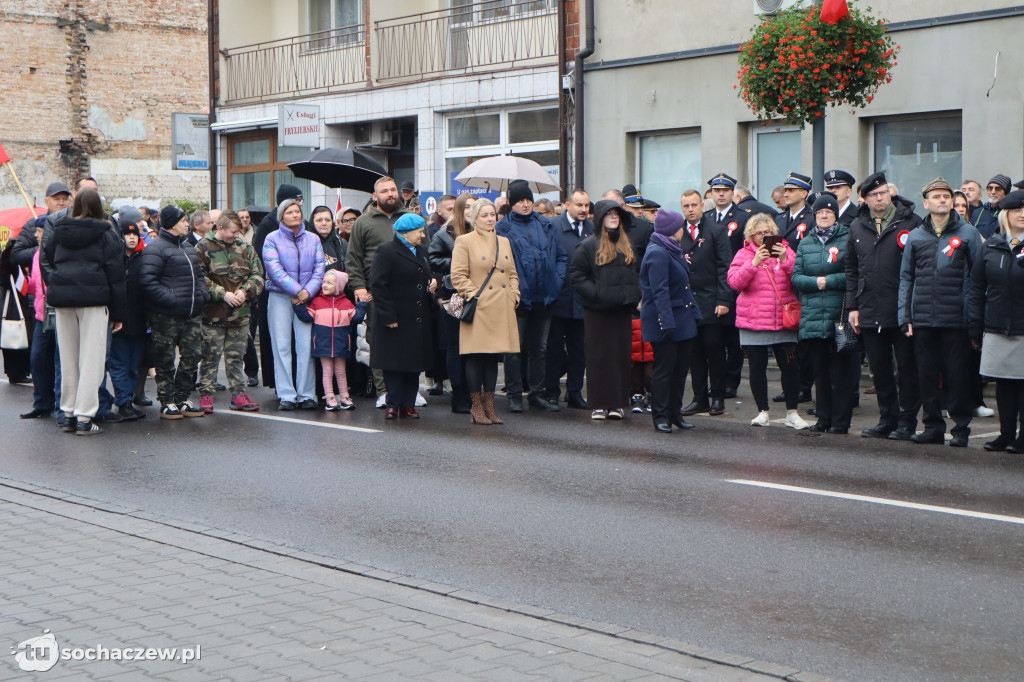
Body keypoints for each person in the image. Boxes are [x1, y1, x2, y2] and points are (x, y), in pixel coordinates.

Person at [898, 177, 983, 447]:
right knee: (927, 375)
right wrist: (905, 316)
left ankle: (960, 429)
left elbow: (977, 278)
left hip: (956, 318)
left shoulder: (968, 233)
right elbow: (906, 278)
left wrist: (973, 317)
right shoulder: (916, 236)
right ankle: (933, 427)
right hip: (923, 319)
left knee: (958, 376)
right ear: (926, 203)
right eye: (936, 196)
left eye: (946, 196)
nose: (943, 200)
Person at [846, 171, 924, 440]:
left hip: (902, 308)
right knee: (879, 370)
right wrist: (852, 306)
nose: (880, 198)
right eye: (873, 195)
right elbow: (852, 268)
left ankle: (907, 420)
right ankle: (887, 419)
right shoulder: (857, 226)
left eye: (883, 193)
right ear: (864, 199)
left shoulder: (912, 221)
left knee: (907, 369)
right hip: (869, 307)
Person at [42, 188, 127, 435]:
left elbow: (47, 257)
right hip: (94, 300)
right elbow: (116, 275)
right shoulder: (106, 233)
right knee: (92, 360)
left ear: (75, 204)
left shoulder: (59, 230)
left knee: (68, 358)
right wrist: (119, 313)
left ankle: (67, 413)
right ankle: (85, 417)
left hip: (62, 299)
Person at [727, 213, 807, 429]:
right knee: (757, 368)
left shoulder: (786, 251)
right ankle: (762, 411)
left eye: (767, 233)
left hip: (783, 320)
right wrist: (753, 263)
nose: (763, 237)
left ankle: (792, 412)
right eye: (759, 233)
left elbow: (799, 278)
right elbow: (735, 282)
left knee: (790, 367)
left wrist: (785, 260)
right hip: (754, 319)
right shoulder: (744, 254)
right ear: (751, 236)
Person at [496, 179, 567, 413]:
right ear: (511, 203)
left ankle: (536, 394)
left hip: (545, 296)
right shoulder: (502, 229)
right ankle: (515, 395)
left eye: (528, 200)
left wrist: (555, 283)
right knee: (514, 349)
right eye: (520, 201)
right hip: (517, 297)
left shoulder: (546, 225)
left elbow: (560, 256)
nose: (525, 205)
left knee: (540, 348)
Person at [791, 193, 859, 434]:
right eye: (820, 213)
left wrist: (825, 281)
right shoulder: (806, 242)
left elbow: (852, 274)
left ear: (835, 215)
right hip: (812, 317)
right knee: (819, 371)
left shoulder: (847, 237)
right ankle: (823, 418)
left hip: (838, 316)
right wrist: (815, 282)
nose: (824, 216)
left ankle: (840, 421)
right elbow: (796, 277)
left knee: (840, 372)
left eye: (829, 212)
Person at [450, 198, 520, 425]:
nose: (490, 219)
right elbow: (458, 276)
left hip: (501, 306)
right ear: (474, 218)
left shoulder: (504, 241)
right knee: (475, 356)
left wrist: (514, 295)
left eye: (493, 214)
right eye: (485, 215)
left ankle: (490, 406)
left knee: (492, 357)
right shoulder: (464, 241)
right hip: (479, 307)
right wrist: (475, 297)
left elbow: (512, 273)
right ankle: (476, 406)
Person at [570, 199, 641, 420]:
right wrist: (597, 294)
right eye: (609, 214)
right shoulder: (588, 245)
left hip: (621, 311)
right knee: (598, 357)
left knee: (620, 357)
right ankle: (599, 404)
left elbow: (636, 274)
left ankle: (617, 404)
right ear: (600, 218)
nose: (613, 217)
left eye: (616, 214)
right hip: (597, 312)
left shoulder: (626, 244)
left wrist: (634, 295)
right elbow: (576, 275)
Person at [139, 205, 210, 419]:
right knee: (165, 359)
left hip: (191, 314)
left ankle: (182, 398)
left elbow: (199, 277)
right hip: (166, 316)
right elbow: (148, 281)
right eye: (183, 221)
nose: (187, 224)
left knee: (192, 356)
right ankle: (167, 401)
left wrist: (202, 295)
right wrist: (171, 299)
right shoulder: (155, 248)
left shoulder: (188, 247)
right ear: (171, 224)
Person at [345, 176, 410, 407]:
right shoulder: (363, 222)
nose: (390, 194)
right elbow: (353, 258)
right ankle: (384, 391)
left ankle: (408, 391)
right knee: (379, 342)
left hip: (408, 292)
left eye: (393, 189)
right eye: (385, 191)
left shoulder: (411, 218)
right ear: (375, 196)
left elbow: (424, 250)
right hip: (376, 292)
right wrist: (359, 287)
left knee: (408, 341)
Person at [970, 191, 1024, 452]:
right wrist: (975, 325)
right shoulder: (991, 245)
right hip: (997, 324)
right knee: (1004, 382)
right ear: (1006, 215)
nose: (1022, 215)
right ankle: (1005, 434)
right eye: (1017, 210)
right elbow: (977, 288)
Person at [369, 213, 437, 419]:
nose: (423, 235)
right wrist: (388, 316)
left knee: (413, 364)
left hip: (416, 318)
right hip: (396, 318)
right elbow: (378, 286)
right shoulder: (386, 251)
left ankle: (408, 403)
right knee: (394, 364)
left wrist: (433, 281)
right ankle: (393, 403)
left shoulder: (422, 252)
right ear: (406, 233)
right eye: (419, 231)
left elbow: (426, 275)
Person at [195, 211, 264, 414]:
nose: (236, 235)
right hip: (212, 315)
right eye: (233, 231)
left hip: (240, 315)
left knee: (236, 357)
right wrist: (222, 294)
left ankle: (238, 394)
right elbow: (199, 278)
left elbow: (258, 274)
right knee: (210, 356)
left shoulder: (245, 248)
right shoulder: (202, 248)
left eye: (239, 231)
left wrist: (246, 291)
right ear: (221, 228)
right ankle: (206, 394)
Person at [639, 210, 701, 433]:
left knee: (680, 371)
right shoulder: (657, 253)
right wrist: (666, 323)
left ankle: (676, 413)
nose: (682, 229)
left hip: (683, 319)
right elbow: (659, 292)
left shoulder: (672, 249)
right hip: (666, 321)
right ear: (671, 229)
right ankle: (661, 416)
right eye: (679, 226)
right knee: (664, 372)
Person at [264, 197, 326, 411]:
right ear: (281, 216)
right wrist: (297, 290)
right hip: (280, 296)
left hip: (307, 297)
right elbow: (274, 269)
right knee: (281, 345)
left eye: (297, 211)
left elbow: (320, 269)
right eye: (289, 212)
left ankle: (306, 394)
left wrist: (306, 292)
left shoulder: (313, 239)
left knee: (306, 345)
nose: (295, 215)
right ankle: (287, 395)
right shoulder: (271, 238)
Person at [677, 188, 734, 417]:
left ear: (702, 205)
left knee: (714, 349)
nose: (690, 210)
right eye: (686, 206)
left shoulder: (716, 231)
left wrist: (723, 298)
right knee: (694, 353)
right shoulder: (677, 231)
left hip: (712, 301)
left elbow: (724, 267)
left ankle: (717, 396)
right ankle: (699, 398)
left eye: (694, 205)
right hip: (687, 303)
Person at [428, 192, 476, 414]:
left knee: (474, 347)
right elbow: (433, 260)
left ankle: (472, 392)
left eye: (474, 207)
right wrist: (459, 261)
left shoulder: (482, 231)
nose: (470, 211)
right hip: (454, 296)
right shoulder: (444, 234)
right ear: (458, 209)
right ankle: (458, 395)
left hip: (478, 295)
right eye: (466, 207)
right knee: (456, 346)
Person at [544, 188, 592, 409]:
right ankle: (551, 391)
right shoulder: (553, 226)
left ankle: (574, 393)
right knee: (554, 350)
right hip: (558, 298)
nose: (583, 210)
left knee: (579, 350)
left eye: (586, 205)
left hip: (582, 300)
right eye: (579, 205)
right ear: (567, 205)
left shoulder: (592, 229)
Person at [702, 173, 749, 399]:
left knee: (733, 340)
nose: (721, 194)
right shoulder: (706, 217)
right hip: (710, 286)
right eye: (717, 191)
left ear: (732, 193)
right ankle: (716, 382)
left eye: (725, 190)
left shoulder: (742, 217)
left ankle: (731, 382)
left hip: (735, 284)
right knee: (713, 341)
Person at [253, 184, 304, 390]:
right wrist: (294, 287)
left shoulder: (303, 224)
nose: (298, 208)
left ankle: (302, 387)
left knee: (300, 344)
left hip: (302, 291)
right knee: (278, 341)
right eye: (295, 201)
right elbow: (266, 264)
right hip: (274, 290)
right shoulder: (268, 226)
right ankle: (280, 384)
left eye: (299, 203)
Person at [295, 270, 365, 411]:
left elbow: (356, 318)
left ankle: (344, 396)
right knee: (327, 371)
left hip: (341, 343)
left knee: (340, 371)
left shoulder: (346, 303)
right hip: (323, 343)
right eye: (324, 282)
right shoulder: (317, 302)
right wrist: (298, 306)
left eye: (329, 283)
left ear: (339, 286)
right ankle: (330, 397)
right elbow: (307, 317)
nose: (325, 285)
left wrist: (362, 305)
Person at [104, 212, 149, 423]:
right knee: (119, 363)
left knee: (133, 364)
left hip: (139, 321)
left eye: (135, 234)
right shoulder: (114, 258)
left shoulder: (145, 259)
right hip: (118, 321)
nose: (132, 238)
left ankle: (128, 399)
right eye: (127, 234)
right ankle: (123, 401)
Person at [310, 205, 346, 273]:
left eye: (328, 220)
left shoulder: (341, 243)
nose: (324, 223)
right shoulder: (305, 243)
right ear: (312, 222)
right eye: (319, 220)